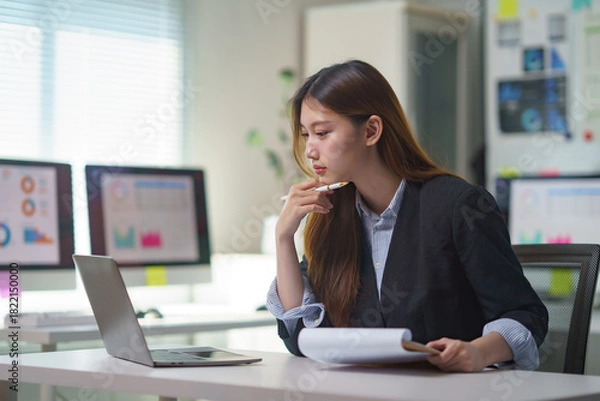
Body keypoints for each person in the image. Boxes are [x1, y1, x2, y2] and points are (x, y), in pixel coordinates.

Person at [266, 59, 548, 372]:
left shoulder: (459, 207)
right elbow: (300, 335)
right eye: (306, 135)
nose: (310, 151)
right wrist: (284, 237)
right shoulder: (332, 213)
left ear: (371, 130)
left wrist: (478, 352)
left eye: (322, 133)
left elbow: (525, 314)